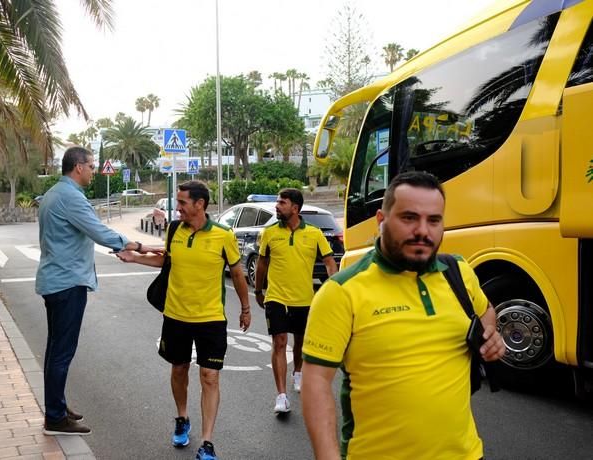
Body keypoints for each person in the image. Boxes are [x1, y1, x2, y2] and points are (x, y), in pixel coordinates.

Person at [301, 171, 506, 460]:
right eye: (409, 218)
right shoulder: (342, 291)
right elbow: (316, 382)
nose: (423, 230)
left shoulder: (459, 273)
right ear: (381, 220)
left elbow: (486, 311)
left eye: (434, 220)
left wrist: (490, 336)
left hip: (467, 454)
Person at [117, 180, 251, 460]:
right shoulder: (175, 229)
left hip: (211, 319)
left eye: (182, 203)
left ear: (200, 204)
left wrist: (246, 308)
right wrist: (134, 258)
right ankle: (182, 418)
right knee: (179, 369)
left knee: (209, 376)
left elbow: (238, 274)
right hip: (176, 316)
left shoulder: (223, 236)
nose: (176, 208)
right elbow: (167, 262)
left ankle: (207, 441)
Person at [36, 146, 160, 436]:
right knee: (61, 352)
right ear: (78, 167)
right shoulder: (70, 197)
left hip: (57, 281)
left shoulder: (55, 193)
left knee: (56, 349)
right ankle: (54, 417)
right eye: (91, 166)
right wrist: (139, 246)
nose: (94, 170)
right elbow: (99, 231)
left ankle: (57, 404)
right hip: (66, 283)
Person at [254, 188, 337, 414]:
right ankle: (281, 396)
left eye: (282, 202)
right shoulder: (269, 233)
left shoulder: (314, 233)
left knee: (299, 342)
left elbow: (329, 262)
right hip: (276, 297)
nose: (277, 206)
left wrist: (333, 286)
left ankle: (297, 372)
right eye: (277, 201)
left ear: (295, 208)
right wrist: (259, 290)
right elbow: (262, 263)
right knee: (279, 341)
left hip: (304, 299)